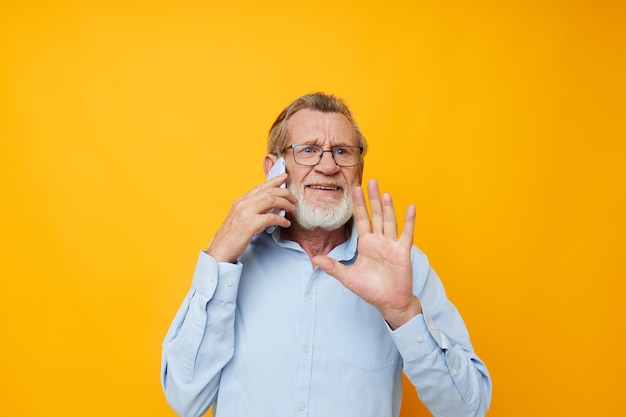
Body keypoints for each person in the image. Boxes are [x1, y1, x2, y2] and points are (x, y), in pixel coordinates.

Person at [161, 92, 492, 417]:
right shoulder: (231, 262)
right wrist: (219, 256)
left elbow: (467, 409)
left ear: (358, 172)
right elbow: (183, 398)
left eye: (342, 152)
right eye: (308, 150)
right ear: (274, 168)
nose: (329, 166)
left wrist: (403, 313)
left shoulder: (401, 265)